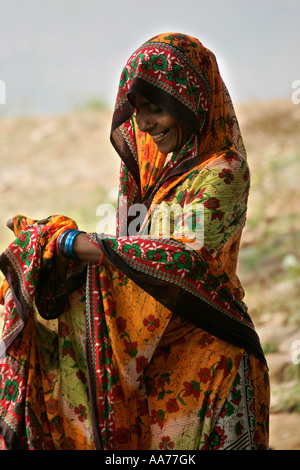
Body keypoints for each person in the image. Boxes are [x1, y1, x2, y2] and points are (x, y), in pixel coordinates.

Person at [0, 32, 269, 451]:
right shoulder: (149, 171)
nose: (143, 124)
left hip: (211, 362)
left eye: (155, 109)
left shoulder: (224, 171)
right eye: (138, 110)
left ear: (191, 103)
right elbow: (128, 247)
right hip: (150, 363)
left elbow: (181, 258)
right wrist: (54, 252)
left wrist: (76, 243)